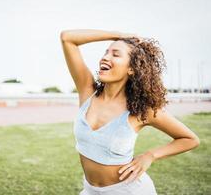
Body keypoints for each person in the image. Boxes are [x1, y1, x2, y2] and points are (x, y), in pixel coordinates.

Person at [60, 29, 200, 195]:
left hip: (129, 190)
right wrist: (117, 35)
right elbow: (67, 38)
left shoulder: (142, 109)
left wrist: (150, 156)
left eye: (115, 54)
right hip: (90, 190)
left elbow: (190, 139)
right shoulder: (87, 90)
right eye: (106, 52)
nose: (105, 57)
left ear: (132, 69)